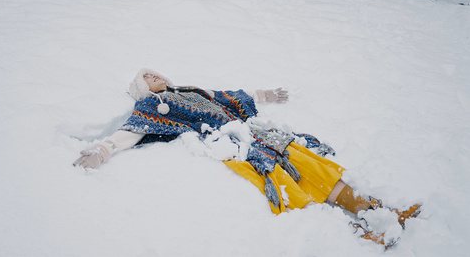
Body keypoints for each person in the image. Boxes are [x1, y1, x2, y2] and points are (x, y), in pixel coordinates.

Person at [73, 68, 421, 249]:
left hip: (256, 136)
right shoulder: (151, 106)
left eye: (154, 71)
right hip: (233, 148)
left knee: (312, 167)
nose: (154, 76)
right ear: (142, 89)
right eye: (145, 77)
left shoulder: (190, 91)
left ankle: (377, 210)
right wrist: (102, 150)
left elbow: (226, 96)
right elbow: (131, 131)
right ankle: (359, 234)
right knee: (288, 189)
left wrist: (262, 94)